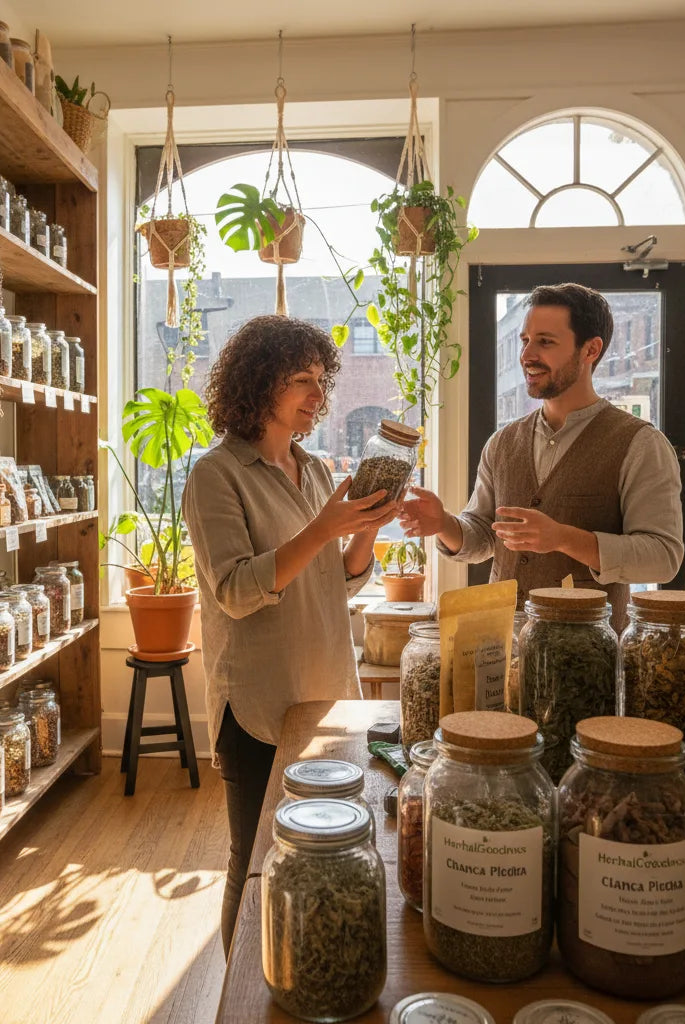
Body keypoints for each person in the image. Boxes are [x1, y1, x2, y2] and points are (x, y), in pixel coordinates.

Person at [181, 315, 399, 954]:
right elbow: (236, 590)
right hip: (256, 704)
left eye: (322, 380)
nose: (318, 395)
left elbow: (339, 582)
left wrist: (366, 524)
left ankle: (301, 972)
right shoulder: (216, 474)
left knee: (324, 850)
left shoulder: (317, 471)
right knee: (252, 862)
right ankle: (238, 995)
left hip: (327, 693)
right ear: (258, 384)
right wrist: (324, 530)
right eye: (302, 380)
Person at [398, 282, 684, 631]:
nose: (527, 355)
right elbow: (485, 537)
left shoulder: (640, 444)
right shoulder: (502, 443)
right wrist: (443, 524)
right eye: (525, 341)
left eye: (545, 342)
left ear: (590, 349)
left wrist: (564, 537)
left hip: (589, 658)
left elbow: (663, 557)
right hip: (503, 650)